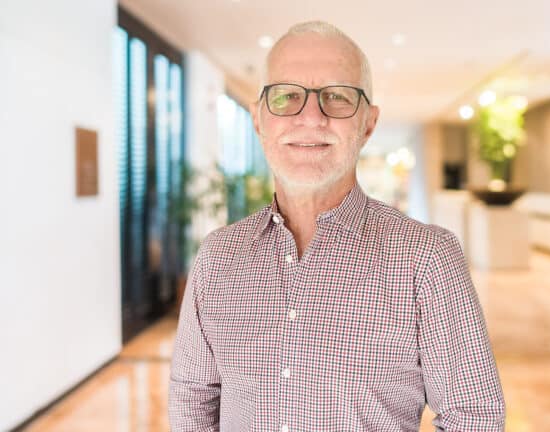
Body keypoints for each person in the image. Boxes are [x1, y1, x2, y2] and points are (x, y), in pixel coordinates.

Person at [169, 20, 505, 431]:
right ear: (258, 120)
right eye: (287, 96)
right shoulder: (218, 257)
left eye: (337, 96)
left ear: (368, 124)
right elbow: (193, 398)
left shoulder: (428, 258)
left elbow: (474, 416)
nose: (311, 117)